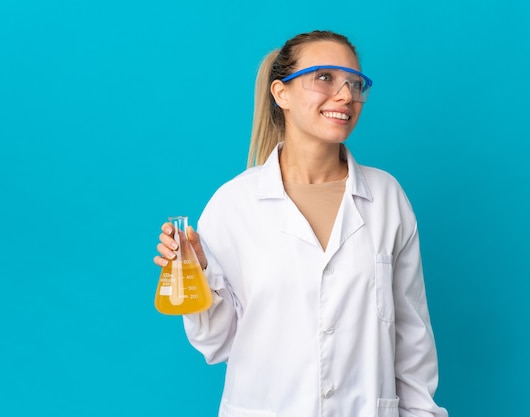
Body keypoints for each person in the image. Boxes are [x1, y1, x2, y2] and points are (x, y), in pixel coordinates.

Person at [154, 30, 448, 417]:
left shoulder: (387, 198)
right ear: (282, 93)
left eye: (354, 83)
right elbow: (218, 344)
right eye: (324, 77)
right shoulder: (234, 204)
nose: (344, 95)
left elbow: (413, 341)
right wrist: (200, 276)